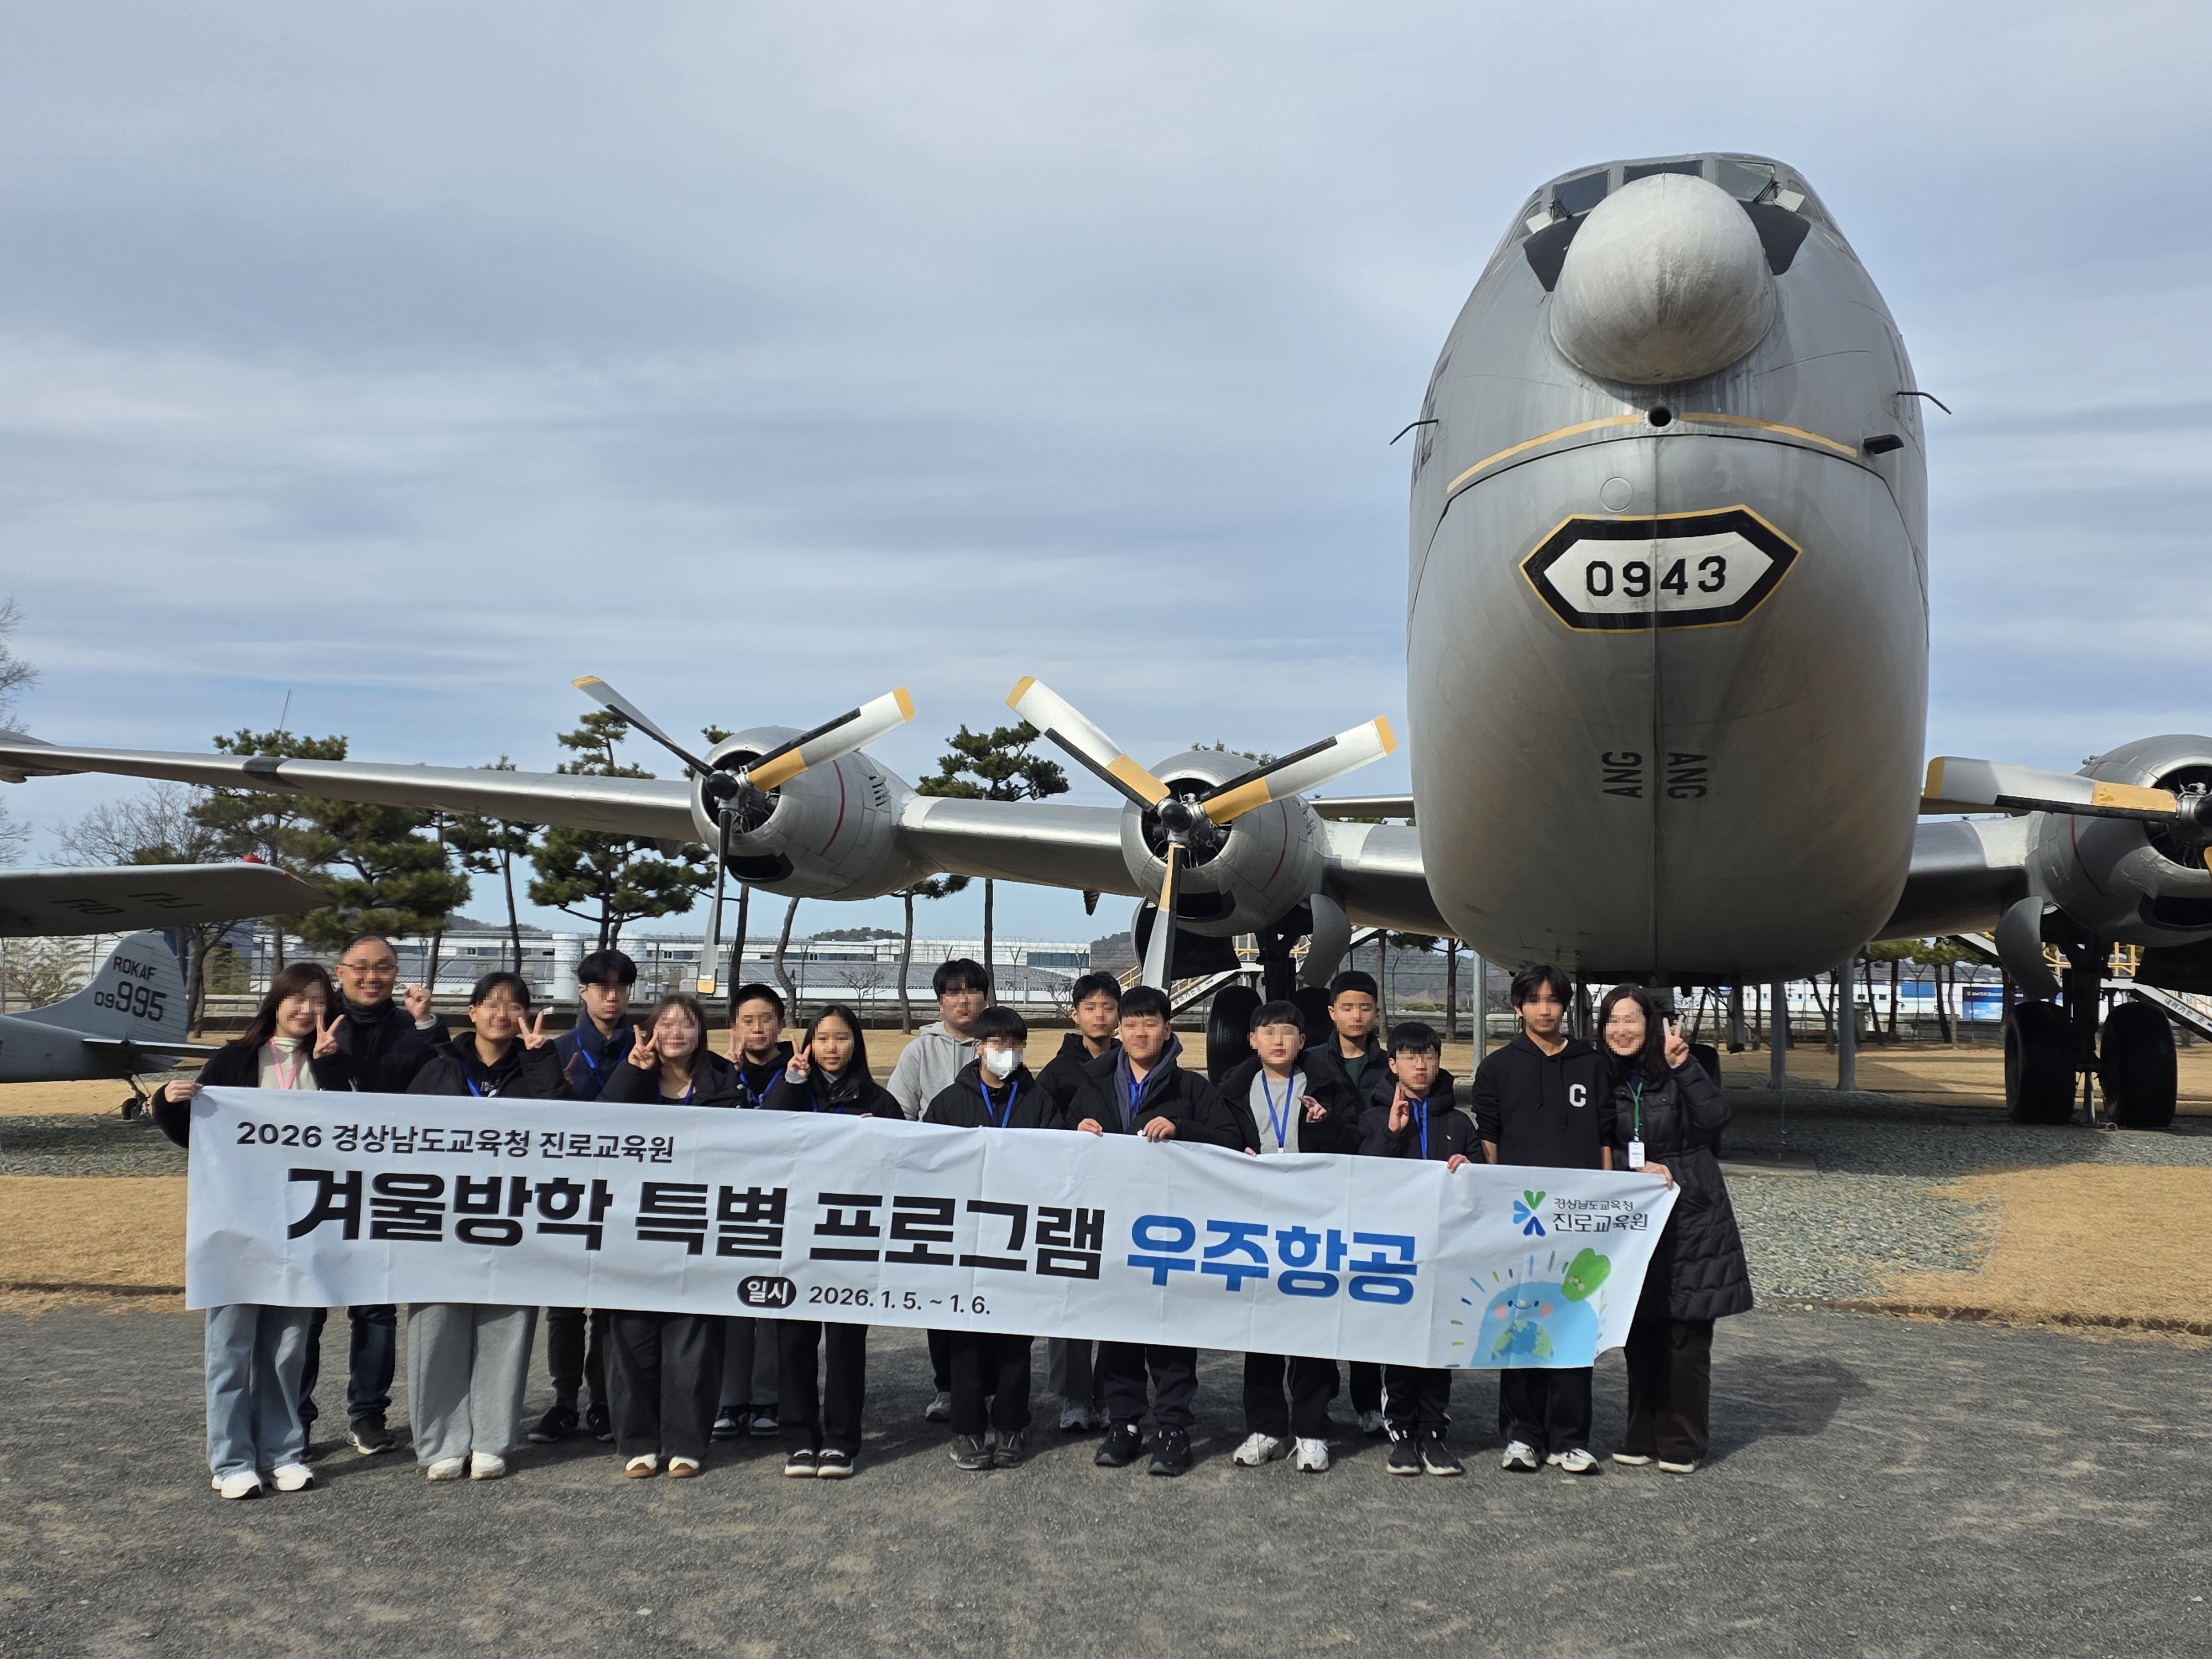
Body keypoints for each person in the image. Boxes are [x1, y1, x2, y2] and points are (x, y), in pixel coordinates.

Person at [155, 962, 353, 1499]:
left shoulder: (334, 1062)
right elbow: (196, 1133)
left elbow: (356, 1132)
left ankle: (282, 1453)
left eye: (319, 1000)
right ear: (276, 1001)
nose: (307, 1009)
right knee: (231, 1345)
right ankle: (231, 1460)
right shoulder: (234, 1059)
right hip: (236, 1225)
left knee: (288, 1348)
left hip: (305, 1224)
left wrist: (333, 1067)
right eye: (298, 998)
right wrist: (166, 1102)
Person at [1068, 984, 1248, 1477]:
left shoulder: (1192, 1088)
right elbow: (1057, 1148)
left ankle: (1173, 1428)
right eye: (1131, 1025)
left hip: (1173, 1231)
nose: (1140, 1033)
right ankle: (1123, 1423)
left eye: (1150, 1024)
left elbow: (1231, 1141)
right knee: (1119, 1331)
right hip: (1113, 1229)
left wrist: (1182, 1129)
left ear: (1168, 1030)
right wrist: (1074, 1133)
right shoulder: (1094, 1086)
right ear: (1120, 1031)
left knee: (1171, 1332)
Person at [404, 971, 571, 1481]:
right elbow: (403, 1134)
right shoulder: (438, 1067)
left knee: (506, 1328)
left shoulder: (538, 1067)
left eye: (514, 1005)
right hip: (442, 1219)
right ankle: (441, 1442)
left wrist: (540, 1061)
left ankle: (493, 1440)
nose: (502, 1014)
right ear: (472, 1012)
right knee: (437, 1328)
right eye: (491, 1004)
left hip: (514, 1219)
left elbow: (564, 1127)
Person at [299, 931, 445, 1459]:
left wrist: (427, 1024)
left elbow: (444, 1084)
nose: (371, 976)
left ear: (397, 974)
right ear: (339, 972)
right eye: (360, 966)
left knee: (376, 1310)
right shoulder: (311, 1022)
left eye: (383, 967)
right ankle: (295, 1418)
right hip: (317, 1184)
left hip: (386, 1186)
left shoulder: (414, 1026)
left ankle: (368, 1415)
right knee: (308, 1309)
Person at [1598, 985, 1751, 1475]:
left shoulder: (1681, 1066)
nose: (1621, 1030)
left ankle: (1682, 1440)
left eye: (1632, 1019)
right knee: (1640, 1328)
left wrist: (1684, 1064)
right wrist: (1629, 1167)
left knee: (1687, 1331)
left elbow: (1716, 1119)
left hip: (1691, 1210)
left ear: (1652, 1025)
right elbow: (1594, 1143)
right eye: (1612, 1021)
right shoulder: (1602, 1077)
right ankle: (1641, 1433)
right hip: (1635, 1214)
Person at [1472, 964, 1614, 1475]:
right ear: (1518, 1007)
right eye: (1534, 1000)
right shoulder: (1497, 1067)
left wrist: (1605, 1197)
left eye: (1554, 1000)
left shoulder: (1591, 1063)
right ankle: (1522, 1436)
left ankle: (1570, 1439)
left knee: (1575, 1322)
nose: (1545, 1009)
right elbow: (1489, 1138)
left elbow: (1605, 1133)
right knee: (1522, 1322)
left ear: (1566, 1006)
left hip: (1578, 1217)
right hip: (1522, 1218)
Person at [597, 992, 741, 1478]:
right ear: (651, 1030)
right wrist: (632, 1073)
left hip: (699, 1227)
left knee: (693, 1342)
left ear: (701, 1032)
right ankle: (639, 1441)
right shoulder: (632, 1074)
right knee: (632, 1337)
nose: (676, 1032)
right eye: (667, 1023)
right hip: (632, 1227)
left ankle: (687, 1443)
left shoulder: (721, 1078)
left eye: (687, 1024)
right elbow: (600, 1126)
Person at [763, 1003, 898, 1478]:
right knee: (794, 1343)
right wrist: (791, 1082)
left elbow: (904, 1164)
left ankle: (841, 1440)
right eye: (822, 1038)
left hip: (851, 1238)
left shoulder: (878, 1100)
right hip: (794, 1235)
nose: (832, 1047)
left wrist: (880, 1140)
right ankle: (799, 1439)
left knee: (845, 1346)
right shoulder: (793, 1090)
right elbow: (765, 1135)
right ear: (809, 1044)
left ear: (856, 1043)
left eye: (842, 1037)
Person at [922, 1005, 1060, 1470]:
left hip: (1019, 1235)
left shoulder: (1039, 1101)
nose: (1008, 1052)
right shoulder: (948, 1102)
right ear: (978, 1048)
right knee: (965, 1338)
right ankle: (967, 1430)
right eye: (998, 1044)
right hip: (964, 1236)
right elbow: (928, 1163)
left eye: (1016, 1044)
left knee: (1014, 1337)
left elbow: (1057, 1162)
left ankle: (1012, 1424)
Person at [1217, 999, 1349, 1473]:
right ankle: (1266, 1427)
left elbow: (1356, 1143)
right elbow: (1215, 1138)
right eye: (1268, 1032)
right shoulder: (1233, 1089)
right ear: (1252, 1040)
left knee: (1313, 1326)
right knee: (1262, 1327)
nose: (1278, 1040)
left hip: (1314, 1219)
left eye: (1288, 1032)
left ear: (1302, 1040)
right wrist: (1235, 1152)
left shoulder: (1328, 1085)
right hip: (1256, 1221)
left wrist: (1326, 1125)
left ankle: (1311, 1430)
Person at [1358, 1020, 1477, 1477]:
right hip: (1396, 1251)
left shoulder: (1459, 1122)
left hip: (1446, 1250)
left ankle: (1433, 1430)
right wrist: (1392, 1133)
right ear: (1393, 1064)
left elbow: (1483, 1185)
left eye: (1428, 1055)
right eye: (1409, 1057)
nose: (1420, 1065)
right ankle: (1403, 1431)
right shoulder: (1373, 1118)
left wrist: (1471, 1168)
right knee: (1402, 1344)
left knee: (1438, 1343)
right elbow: (1361, 1181)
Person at [531, 947, 637, 1448]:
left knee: (611, 1306)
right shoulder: (557, 1048)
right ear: (584, 992)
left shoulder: (645, 1046)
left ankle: (603, 1401)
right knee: (565, 1306)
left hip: (626, 1193)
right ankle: (563, 1402)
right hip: (567, 1194)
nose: (611, 996)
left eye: (620, 987)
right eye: (602, 987)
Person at [885, 957, 991, 1420]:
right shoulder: (919, 1052)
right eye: (952, 992)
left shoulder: (1000, 1044)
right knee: (941, 1290)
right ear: (940, 1001)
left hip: (991, 1191)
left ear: (985, 997)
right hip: (939, 1190)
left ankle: (989, 1385)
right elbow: (898, 1114)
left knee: (988, 1286)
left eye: (971, 991)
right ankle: (946, 1386)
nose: (962, 1000)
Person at [1298, 969, 1389, 1437]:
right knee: (1318, 1298)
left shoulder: (1390, 1064)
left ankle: (1370, 1401)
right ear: (1332, 1012)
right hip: (1320, 1193)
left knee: (1367, 1297)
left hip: (1374, 1193)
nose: (1357, 1016)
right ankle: (1318, 1401)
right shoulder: (1309, 1061)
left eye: (1365, 1008)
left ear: (1377, 1013)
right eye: (1348, 1008)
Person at [1033, 971, 1121, 1432]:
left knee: (1115, 1297)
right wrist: (1073, 1131)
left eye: (1108, 1007)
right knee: (1070, 1296)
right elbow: (1040, 1128)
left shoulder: (1133, 1062)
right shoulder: (1056, 1072)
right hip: (1071, 1200)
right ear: (1075, 1014)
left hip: (1121, 1199)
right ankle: (1074, 1396)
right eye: (1091, 1008)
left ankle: (1111, 1392)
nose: (1100, 1015)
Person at [714, 982, 794, 1442]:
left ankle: (768, 1397)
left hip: (787, 1202)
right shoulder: (718, 1071)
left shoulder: (800, 1069)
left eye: (766, 1019)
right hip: (733, 1203)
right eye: (748, 1020)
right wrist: (727, 1079)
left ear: (781, 1024)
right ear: (734, 1026)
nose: (758, 1028)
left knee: (776, 1299)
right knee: (732, 1302)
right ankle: (730, 1398)